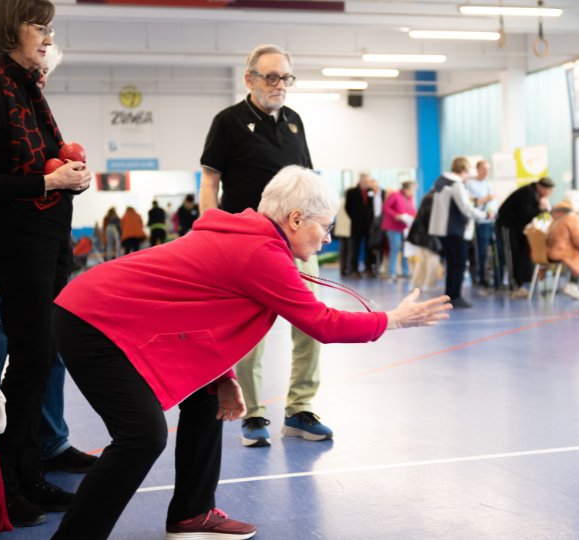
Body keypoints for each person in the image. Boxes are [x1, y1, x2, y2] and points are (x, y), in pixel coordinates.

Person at [48, 166, 451, 540]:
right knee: (142, 436)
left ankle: (192, 514)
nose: (327, 238)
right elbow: (323, 324)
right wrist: (393, 319)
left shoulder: (243, 234)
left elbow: (202, 313)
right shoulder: (261, 253)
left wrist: (224, 378)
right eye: (325, 228)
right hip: (91, 321)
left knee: (205, 401)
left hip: (93, 312)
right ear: (296, 219)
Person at [0, 37, 96, 496]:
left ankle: (47, 444)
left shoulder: (34, 117)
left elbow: (36, 186)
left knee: (43, 355)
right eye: (38, 70)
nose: (40, 79)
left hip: (32, 253)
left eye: (47, 75)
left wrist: (68, 181)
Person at [199, 44, 331, 448]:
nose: (280, 85)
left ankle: (299, 409)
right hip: (248, 246)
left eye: (286, 77)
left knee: (311, 325)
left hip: (296, 244)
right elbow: (209, 184)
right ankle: (253, 415)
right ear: (250, 79)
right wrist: (211, 232)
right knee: (249, 334)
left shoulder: (294, 122)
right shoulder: (228, 122)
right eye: (271, 77)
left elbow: (307, 181)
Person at [428, 157, 488, 308]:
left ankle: (449, 295)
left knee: (451, 263)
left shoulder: (441, 181)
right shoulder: (457, 184)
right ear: (463, 172)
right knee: (459, 264)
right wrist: (485, 215)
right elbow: (466, 209)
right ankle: (455, 296)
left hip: (441, 230)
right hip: (455, 230)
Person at [496, 177, 554, 298]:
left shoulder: (534, 193)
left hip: (516, 227)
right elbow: (525, 214)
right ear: (540, 187)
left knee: (518, 255)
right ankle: (514, 287)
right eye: (548, 191)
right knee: (511, 255)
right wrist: (540, 208)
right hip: (507, 224)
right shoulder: (528, 192)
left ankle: (519, 284)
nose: (549, 194)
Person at [465, 160, 497, 293]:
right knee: (480, 253)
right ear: (478, 169)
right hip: (479, 223)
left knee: (494, 252)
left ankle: (494, 281)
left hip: (491, 222)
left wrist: (493, 212)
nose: (486, 171)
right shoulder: (470, 184)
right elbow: (471, 205)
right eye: (484, 168)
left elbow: (493, 202)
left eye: (488, 169)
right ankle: (481, 281)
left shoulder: (488, 183)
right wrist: (486, 198)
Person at [381, 180, 417, 281]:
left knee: (406, 249)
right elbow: (386, 208)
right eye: (412, 190)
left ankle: (405, 272)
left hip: (405, 227)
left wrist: (412, 217)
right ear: (407, 189)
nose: (413, 192)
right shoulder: (395, 195)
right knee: (395, 248)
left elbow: (412, 209)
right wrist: (396, 215)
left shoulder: (410, 197)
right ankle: (392, 273)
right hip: (393, 227)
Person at [407, 189, 441, 292]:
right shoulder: (435, 198)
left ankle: (416, 284)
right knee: (433, 259)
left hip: (418, 234)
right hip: (428, 234)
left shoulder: (427, 196)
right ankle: (429, 284)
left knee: (422, 260)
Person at [345, 173, 378, 278]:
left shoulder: (370, 192)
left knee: (369, 248)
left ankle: (369, 269)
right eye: (366, 181)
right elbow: (348, 208)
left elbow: (372, 207)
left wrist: (371, 223)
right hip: (356, 225)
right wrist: (356, 219)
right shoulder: (352, 192)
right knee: (355, 248)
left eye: (369, 181)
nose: (368, 183)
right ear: (361, 181)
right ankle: (354, 270)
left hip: (368, 225)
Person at [334, 193, 353, 276]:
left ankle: (342, 269)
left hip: (341, 229)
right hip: (348, 229)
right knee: (350, 250)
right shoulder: (350, 202)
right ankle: (349, 269)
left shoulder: (339, 202)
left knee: (342, 250)